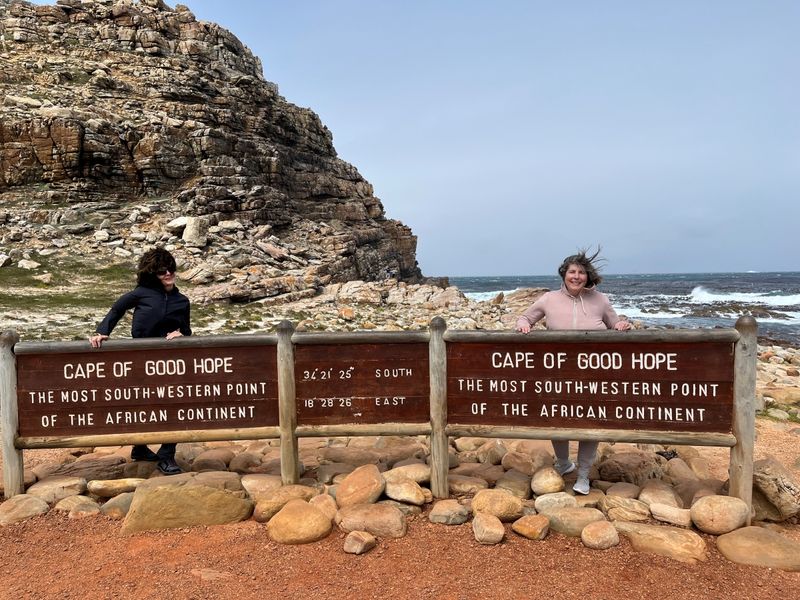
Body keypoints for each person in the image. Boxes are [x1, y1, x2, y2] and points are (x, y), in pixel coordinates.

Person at [515, 249, 631, 495]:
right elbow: (526, 317)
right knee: (558, 419)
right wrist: (524, 325)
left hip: (594, 374)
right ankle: (564, 463)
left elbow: (615, 324)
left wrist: (620, 325)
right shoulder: (548, 299)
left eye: (581, 272)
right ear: (564, 274)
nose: (576, 276)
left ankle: (584, 475)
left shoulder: (601, 300)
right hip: (558, 373)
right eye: (572, 272)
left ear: (587, 276)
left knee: (590, 421)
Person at [89, 247, 191, 475]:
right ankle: (140, 447)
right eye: (161, 271)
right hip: (140, 360)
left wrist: (182, 335)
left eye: (170, 269)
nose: (168, 274)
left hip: (169, 364)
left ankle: (167, 456)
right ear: (151, 274)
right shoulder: (141, 293)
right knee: (141, 404)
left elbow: (187, 330)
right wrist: (102, 332)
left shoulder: (182, 301)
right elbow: (116, 309)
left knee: (172, 405)